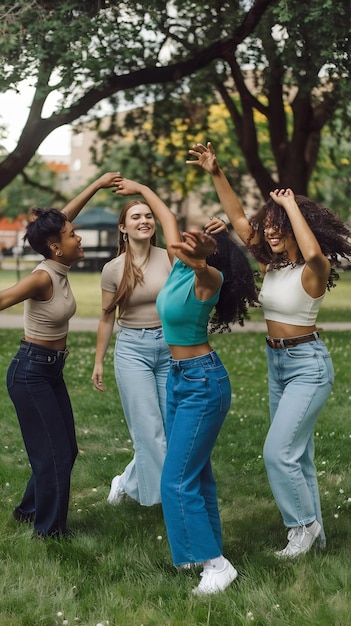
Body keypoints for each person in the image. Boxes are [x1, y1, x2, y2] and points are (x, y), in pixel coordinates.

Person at [186, 142, 351, 558]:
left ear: (296, 227)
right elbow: (240, 219)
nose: (270, 231)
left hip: (308, 366)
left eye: (278, 226)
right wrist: (216, 170)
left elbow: (312, 250)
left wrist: (290, 205)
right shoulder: (271, 265)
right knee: (300, 454)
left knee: (278, 452)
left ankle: (302, 528)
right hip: (278, 363)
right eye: (269, 225)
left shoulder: (315, 271)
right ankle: (316, 536)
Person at [113, 175, 257, 595]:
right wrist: (140, 187)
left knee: (175, 479)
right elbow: (167, 215)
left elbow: (201, 266)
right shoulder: (178, 267)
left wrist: (202, 256)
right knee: (198, 474)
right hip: (180, 379)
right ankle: (202, 550)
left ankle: (216, 564)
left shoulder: (206, 280)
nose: (179, 244)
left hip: (202, 382)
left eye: (191, 249)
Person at [1, 172, 121, 538]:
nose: (78, 235)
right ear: (56, 247)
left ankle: (29, 510)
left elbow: (61, 219)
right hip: (30, 371)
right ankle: (49, 531)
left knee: (65, 450)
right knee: (52, 456)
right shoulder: (42, 277)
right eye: (72, 235)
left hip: (50, 371)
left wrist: (96, 184)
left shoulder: (58, 260)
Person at [91, 198, 227, 507]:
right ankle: (165, 503)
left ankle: (125, 481)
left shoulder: (170, 258)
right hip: (132, 351)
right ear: (123, 227)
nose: (144, 220)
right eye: (136, 216)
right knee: (147, 428)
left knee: (171, 428)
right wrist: (98, 361)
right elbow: (105, 317)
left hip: (169, 350)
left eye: (148, 216)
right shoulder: (112, 269)